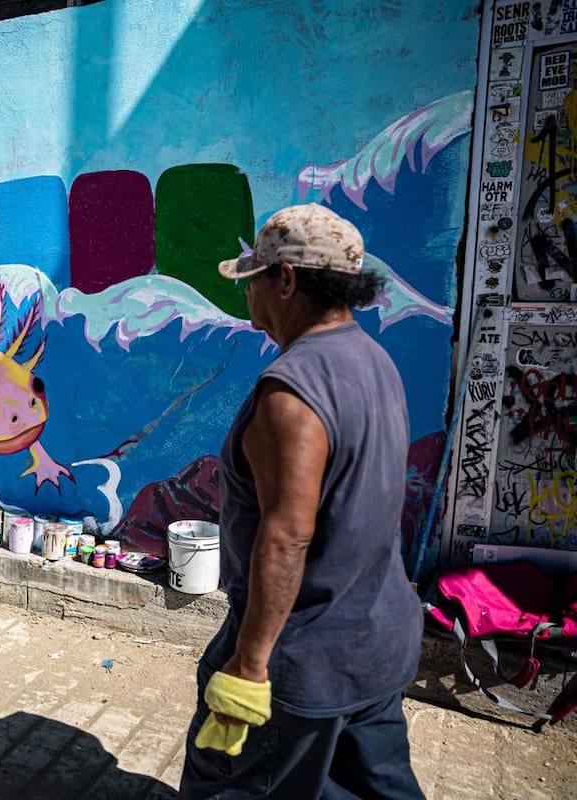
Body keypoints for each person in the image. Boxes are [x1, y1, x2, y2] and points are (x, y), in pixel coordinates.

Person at [180, 204, 425, 799]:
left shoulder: (291, 392)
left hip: (299, 662)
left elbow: (288, 535)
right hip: (377, 641)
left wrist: (250, 664)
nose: (249, 297)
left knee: (235, 785)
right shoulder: (374, 361)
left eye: (254, 280)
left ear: (285, 281)